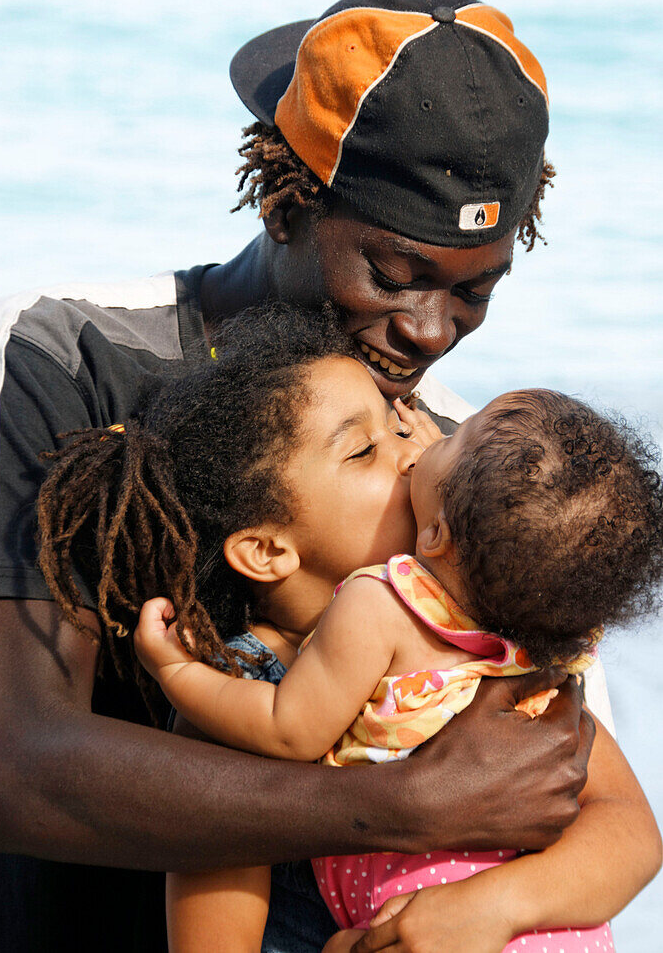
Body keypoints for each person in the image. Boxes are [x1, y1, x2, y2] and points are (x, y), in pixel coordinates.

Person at [0, 0, 599, 953]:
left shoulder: (452, 459)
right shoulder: (64, 355)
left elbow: (554, 781)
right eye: (393, 274)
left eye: (475, 292)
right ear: (286, 198)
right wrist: (397, 803)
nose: (427, 333)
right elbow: (21, 770)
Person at [35, 305, 662, 953]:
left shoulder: (497, 652)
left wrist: (488, 908)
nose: (408, 456)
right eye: (365, 449)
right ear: (267, 549)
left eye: (400, 429)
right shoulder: (236, 710)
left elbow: (631, 834)